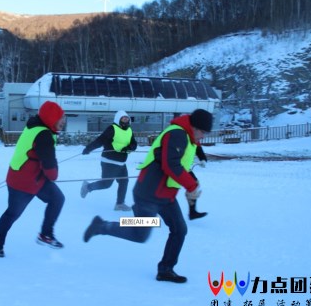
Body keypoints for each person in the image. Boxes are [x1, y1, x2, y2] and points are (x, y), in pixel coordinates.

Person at [83, 109, 213, 283]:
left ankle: (166, 270)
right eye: (203, 132)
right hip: (148, 194)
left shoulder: (188, 136)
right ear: (195, 127)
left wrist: (193, 180)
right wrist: (191, 185)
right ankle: (101, 226)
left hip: (166, 195)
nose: (203, 137)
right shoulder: (177, 134)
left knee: (179, 229)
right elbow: (171, 165)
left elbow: (186, 157)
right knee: (140, 234)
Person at [0, 101, 66, 258]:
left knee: (57, 198)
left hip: (35, 178)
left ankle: (45, 234)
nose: (63, 121)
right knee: (13, 213)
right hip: (21, 182)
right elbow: (51, 172)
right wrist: (53, 170)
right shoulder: (43, 134)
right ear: (51, 118)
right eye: (60, 118)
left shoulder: (37, 127)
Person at [80, 110, 137, 211]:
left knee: (124, 181)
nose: (125, 120)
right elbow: (100, 140)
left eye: (127, 118)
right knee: (106, 184)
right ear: (118, 119)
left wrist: (129, 148)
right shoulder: (112, 129)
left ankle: (119, 204)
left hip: (121, 163)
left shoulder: (129, 130)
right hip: (109, 162)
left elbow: (134, 144)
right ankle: (87, 187)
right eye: (123, 118)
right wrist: (88, 148)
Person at [188, 145, 208, 220]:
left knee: (194, 184)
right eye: (202, 132)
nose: (202, 136)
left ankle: (192, 212)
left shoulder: (194, 136)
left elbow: (197, 147)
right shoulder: (181, 135)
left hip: (184, 167)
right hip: (174, 166)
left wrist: (203, 159)